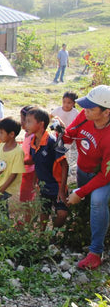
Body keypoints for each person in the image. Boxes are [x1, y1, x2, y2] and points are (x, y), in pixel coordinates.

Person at [62, 85, 110, 270]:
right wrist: (61, 133)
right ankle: (82, 229)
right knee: (84, 205)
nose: (85, 111)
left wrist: (80, 192)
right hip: (83, 169)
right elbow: (70, 134)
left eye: (91, 108)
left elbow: (106, 175)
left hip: (101, 176)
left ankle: (96, 252)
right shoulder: (86, 116)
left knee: (97, 201)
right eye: (85, 107)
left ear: (106, 112)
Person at [26, 108, 69, 230]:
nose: (26, 125)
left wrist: (61, 190)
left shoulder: (52, 141)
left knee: (62, 214)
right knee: (44, 210)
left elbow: (64, 165)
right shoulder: (33, 142)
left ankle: (53, 235)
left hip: (57, 185)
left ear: (41, 124)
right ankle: (42, 235)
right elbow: (36, 162)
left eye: (29, 121)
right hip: (44, 184)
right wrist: (35, 181)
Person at [0, 117, 25, 221]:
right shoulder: (0, 146)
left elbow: (14, 174)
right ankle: (2, 231)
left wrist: (1, 191)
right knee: (1, 211)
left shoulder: (18, 152)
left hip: (6, 188)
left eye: (2, 133)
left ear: (11, 134)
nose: (0, 135)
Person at [20, 106, 36, 205]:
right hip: (25, 170)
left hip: (30, 172)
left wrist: (17, 162)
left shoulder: (33, 137)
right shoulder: (27, 134)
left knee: (27, 199)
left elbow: (33, 159)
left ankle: (27, 220)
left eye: (23, 119)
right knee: (24, 197)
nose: (21, 122)